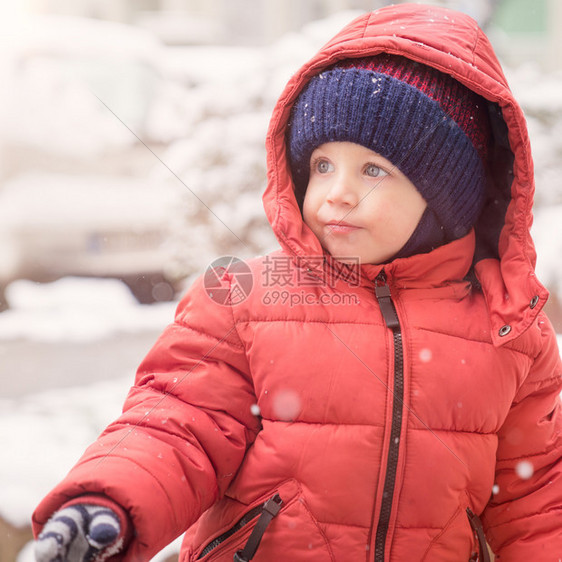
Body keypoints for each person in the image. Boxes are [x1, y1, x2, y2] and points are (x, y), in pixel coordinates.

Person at [33, 3, 562, 561]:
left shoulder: (510, 333)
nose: (335, 192)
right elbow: (177, 425)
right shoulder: (246, 301)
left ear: (447, 201)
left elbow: (537, 502)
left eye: (373, 170)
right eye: (323, 166)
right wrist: (107, 500)